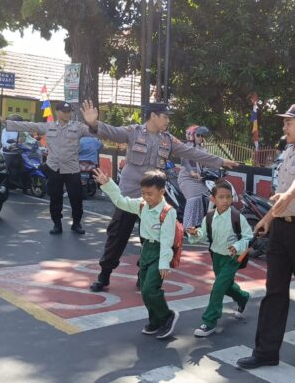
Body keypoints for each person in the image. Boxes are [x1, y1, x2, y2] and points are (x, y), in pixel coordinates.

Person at [80, 100, 238, 292]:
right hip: (130, 196)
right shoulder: (133, 132)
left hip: (153, 201)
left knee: (152, 239)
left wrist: (220, 161)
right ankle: (104, 276)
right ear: (153, 116)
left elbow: (193, 153)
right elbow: (112, 132)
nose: (168, 120)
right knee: (117, 236)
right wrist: (94, 123)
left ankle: (144, 276)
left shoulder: (168, 140)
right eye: (165, 116)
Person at [237, 104, 295, 370]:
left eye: (289, 123)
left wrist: (287, 197)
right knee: (274, 290)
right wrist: (267, 220)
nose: (284, 127)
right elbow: (281, 193)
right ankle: (266, 352)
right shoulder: (287, 152)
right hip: (281, 228)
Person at [94, 168, 180, 339]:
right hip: (146, 249)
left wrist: (164, 263)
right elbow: (121, 201)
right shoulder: (142, 204)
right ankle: (155, 321)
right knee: (145, 290)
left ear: (162, 192)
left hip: (160, 251)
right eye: (143, 193)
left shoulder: (168, 212)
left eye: (150, 194)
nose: (146, 197)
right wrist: (108, 184)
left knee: (149, 288)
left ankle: (167, 315)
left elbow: (167, 240)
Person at [3, 102, 92, 235]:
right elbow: (29, 126)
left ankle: (77, 223)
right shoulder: (48, 126)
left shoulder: (78, 127)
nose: (68, 114)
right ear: (57, 112)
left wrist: (93, 122)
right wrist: (8, 123)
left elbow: (94, 131)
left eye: (70, 111)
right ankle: (57, 224)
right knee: (55, 197)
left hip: (72, 168)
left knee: (76, 198)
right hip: (54, 167)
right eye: (65, 111)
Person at [186, 180, 253, 337]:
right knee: (226, 286)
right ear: (213, 199)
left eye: (228, 197)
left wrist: (237, 247)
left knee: (218, 287)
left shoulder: (237, 217)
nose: (225, 201)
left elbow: (248, 237)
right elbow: (203, 234)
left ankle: (209, 322)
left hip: (233, 258)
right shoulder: (209, 217)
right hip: (216, 256)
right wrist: (195, 233)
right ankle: (243, 298)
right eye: (221, 197)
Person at [178, 126, 211, 228]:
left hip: (199, 179)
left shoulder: (203, 149)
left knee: (205, 197)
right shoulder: (187, 147)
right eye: (198, 135)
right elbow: (185, 161)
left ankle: (198, 226)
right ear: (192, 136)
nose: (201, 138)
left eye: (202, 135)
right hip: (187, 178)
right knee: (193, 199)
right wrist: (192, 173)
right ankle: (187, 227)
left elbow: (208, 162)